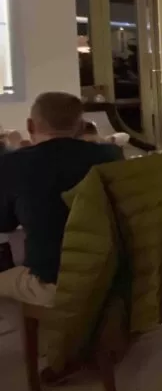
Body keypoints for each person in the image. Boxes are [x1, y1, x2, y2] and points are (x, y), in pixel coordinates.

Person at [0, 92, 122, 306]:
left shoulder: (13, 163)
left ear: (30, 125)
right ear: (81, 126)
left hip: (55, 282)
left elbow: (5, 223)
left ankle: (30, 336)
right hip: (115, 271)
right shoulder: (111, 155)